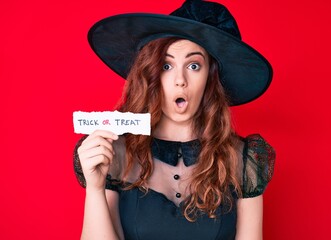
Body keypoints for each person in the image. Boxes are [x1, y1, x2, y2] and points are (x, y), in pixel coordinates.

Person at [73, 0, 275, 239]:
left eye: (193, 65)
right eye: (167, 65)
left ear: (210, 79)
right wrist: (95, 190)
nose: (180, 80)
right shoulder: (115, 153)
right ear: (152, 75)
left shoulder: (243, 159)